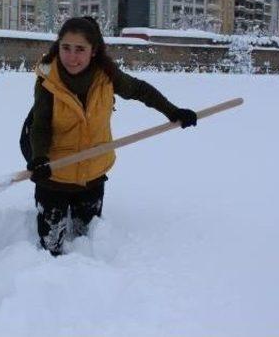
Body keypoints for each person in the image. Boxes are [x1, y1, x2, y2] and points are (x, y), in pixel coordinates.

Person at [27, 17, 197, 256]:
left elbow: (140, 90)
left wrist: (173, 111)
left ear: (93, 51)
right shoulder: (47, 79)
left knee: (88, 240)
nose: (71, 57)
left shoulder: (106, 76)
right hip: (54, 172)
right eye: (65, 48)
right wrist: (39, 158)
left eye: (80, 49)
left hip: (92, 172)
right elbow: (41, 125)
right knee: (50, 248)